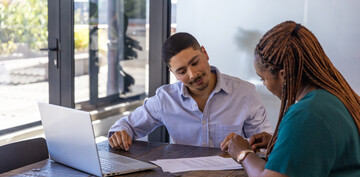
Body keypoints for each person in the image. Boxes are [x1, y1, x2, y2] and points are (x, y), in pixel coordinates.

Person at [222, 21, 360, 177]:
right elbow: (321, 148)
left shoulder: (308, 112)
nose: (264, 84)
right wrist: (282, 141)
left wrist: (243, 153)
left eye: (263, 78)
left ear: (284, 75)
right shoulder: (333, 97)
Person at [108, 32, 272, 151]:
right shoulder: (165, 99)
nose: (193, 74)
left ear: (205, 53)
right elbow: (125, 125)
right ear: (173, 74)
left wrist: (243, 143)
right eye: (182, 71)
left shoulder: (245, 93)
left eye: (195, 62)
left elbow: (266, 144)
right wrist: (120, 134)